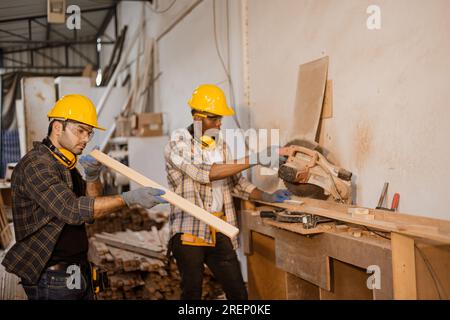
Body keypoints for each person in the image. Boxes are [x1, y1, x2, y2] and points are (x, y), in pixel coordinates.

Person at [1, 94, 167, 300]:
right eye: (80, 131)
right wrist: (128, 198)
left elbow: (90, 211)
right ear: (57, 127)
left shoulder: (66, 165)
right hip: (52, 275)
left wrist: (92, 176)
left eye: (89, 133)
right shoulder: (36, 165)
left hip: (77, 268)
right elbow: (73, 211)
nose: (86, 139)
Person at [164, 84, 291, 300]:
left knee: (238, 294)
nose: (219, 123)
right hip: (189, 230)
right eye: (214, 118)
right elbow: (205, 172)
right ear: (197, 117)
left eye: (220, 118)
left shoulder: (220, 145)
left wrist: (266, 196)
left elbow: (236, 183)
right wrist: (255, 158)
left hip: (220, 226)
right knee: (192, 294)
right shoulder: (178, 143)